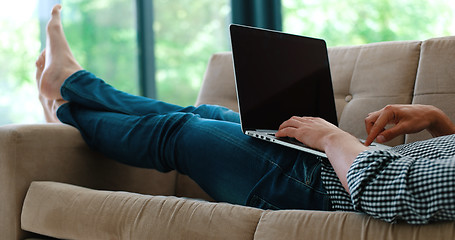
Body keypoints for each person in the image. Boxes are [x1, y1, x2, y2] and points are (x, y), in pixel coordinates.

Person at [37, 4, 455, 225]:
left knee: (181, 132)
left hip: (320, 192)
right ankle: (68, 90)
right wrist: (439, 121)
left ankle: (66, 104)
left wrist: (328, 137)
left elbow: (382, 188)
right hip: (328, 169)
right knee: (204, 112)